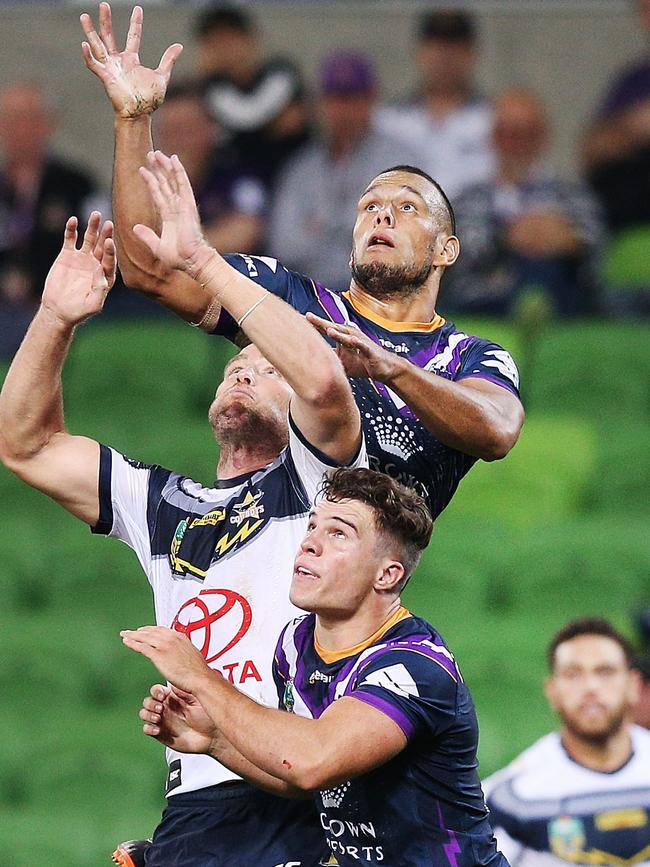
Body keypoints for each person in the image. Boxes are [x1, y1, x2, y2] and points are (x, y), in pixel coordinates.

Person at [0, 150, 365, 866]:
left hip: (300, 787)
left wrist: (201, 262)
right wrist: (54, 318)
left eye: (265, 370)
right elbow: (26, 445)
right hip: (195, 799)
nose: (244, 371)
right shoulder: (163, 501)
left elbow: (323, 388)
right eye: (236, 366)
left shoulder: (323, 478)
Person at [80, 4, 525, 521]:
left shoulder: (470, 356)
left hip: (377, 581)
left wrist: (392, 370)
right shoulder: (297, 302)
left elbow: (497, 430)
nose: (382, 215)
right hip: (278, 557)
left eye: (406, 207)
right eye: (369, 207)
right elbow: (148, 270)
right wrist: (134, 119)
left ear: (447, 249)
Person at [125, 467, 509, 867]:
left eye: (339, 533)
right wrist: (215, 740)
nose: (309, 544)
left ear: (387, 574)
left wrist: (201, 677)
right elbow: (302, 783)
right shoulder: (295, 645)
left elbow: (312, 762)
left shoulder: (414, 665)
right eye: (312, 526)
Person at [483, 618, 650, 865]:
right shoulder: (512, 797)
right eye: (573, 675)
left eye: (605, 672)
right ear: (552, 691)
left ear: (633, 685)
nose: (591, 687)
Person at [268, 51, 423, 290]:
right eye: (335, 98)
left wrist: (320, 226)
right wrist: (349, 230)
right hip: (310, 294)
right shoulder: (301, 167)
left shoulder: (399, 160)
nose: (343, 109)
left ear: (371, 99)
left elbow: (401, 241)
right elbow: (285, 245)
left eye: (352, 98)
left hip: (379, 294)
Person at [446, 89, 603, 316]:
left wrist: (568, 241)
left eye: (525, 135)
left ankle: (533, 303)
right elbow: (459, 256)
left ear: (542, 137)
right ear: (493, 138)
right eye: (507, 134)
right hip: (484, 302)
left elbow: (596, 251)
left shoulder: (572, 195)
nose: (516, 144)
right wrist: (506, 236)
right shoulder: (469, 199)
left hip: (562, 298)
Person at [0, 81, 103, 356]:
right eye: (11, 119)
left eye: (30, 118)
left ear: (49, 123)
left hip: (60, 311)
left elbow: (102, 245)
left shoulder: (77, 185)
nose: (20, 129)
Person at [374, 9, 495, 198]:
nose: (445, 57)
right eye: (436, 46)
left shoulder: (493, 118)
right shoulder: (388, 120)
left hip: (476, 219)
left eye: (454, 47)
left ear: (472, 54)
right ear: (419, 52)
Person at [194, 3, 310, 188]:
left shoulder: (280, 73)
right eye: (212, 42)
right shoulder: (211, 88)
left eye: (228, 39)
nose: (222, 50)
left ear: (249, 38)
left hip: (293, 180)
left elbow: (249, 116)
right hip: (237, 188)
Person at [154, 82, 267, 254]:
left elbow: (243, 235)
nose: (180, 141)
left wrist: (175, 247)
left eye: (187, 129)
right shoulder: (151, 185)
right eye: (171, 131)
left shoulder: (237, 175)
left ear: (211, 128)